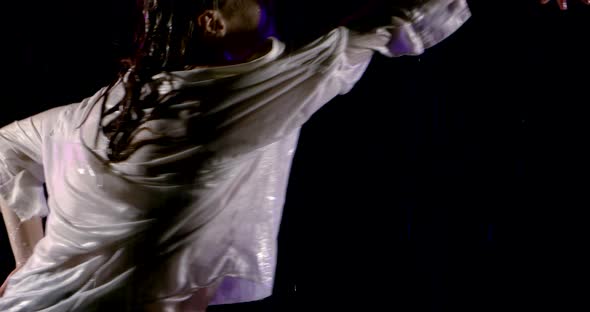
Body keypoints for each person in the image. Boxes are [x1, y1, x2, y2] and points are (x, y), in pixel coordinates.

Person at [0, 0, 585, 311]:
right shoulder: (223, 99)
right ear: (211, 19)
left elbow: (8, 143)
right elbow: (383, 24)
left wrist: (27, 262)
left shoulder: (103, 107)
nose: (271, 7)